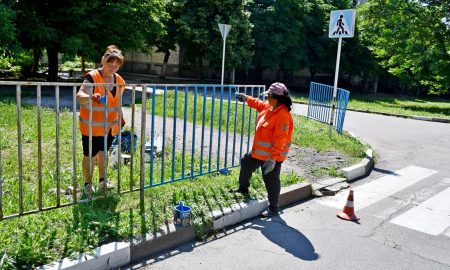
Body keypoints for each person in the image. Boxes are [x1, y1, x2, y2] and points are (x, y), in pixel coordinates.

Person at [230, 82, 294, 218]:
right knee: (245, 162)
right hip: (258, 154)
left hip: (272, 157)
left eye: (269, 96)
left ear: (276, 97)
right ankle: (243, 188)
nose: (266, 98)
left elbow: (280, 139)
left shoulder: (282, 115)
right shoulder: (270, 107)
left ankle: (273, 208)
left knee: (271, 180)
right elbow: (258, 104)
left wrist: (273, 159)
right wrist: (246, 98)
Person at [76, 45, 126, 194]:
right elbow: (80, 96)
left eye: (116, 65)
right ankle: (87, 184)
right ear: (103, 60)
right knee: (90, 155)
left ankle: (102, 181)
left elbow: (116, 100)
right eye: (110, 64)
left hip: (109, 127)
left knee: (104, 153)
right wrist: (90, 97)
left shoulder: (119, 80)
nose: (113, 67)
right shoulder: (92, 77)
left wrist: (121, 116)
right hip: (92, 127)